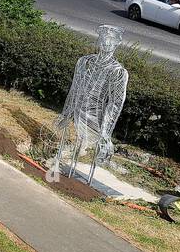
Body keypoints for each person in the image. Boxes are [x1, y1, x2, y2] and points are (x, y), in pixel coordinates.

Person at [51, 25, 129, 181]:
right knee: (71, 140)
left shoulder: (118, 71)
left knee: (90, 145)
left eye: (111, 40)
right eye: (104, 38)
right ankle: (59, 170)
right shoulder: (84, 62)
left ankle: (82, 180)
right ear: (99, 40)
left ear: (117, 43)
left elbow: (115, 104)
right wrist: (66, 113)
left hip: (96, 117)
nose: (107, 43)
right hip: (77, 111)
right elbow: (74, 89)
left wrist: (106, 133)